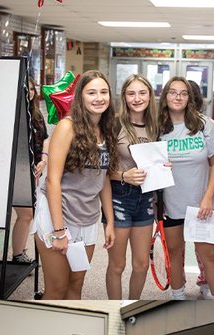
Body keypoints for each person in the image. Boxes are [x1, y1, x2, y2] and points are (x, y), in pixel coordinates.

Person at [33, 70, 116, 300]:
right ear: (81, 97)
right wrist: (59, 231)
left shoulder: (107, 128)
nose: (98, 98)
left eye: (103, 92)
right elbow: (52, 180)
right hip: (58, 216)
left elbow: (104, 179)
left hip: (87, 218)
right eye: (91, 92)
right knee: (57, 288)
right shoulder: (67, 126)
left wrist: (109, 222)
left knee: (76, 286)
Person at [159, 76, 214, 300]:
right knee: (174, 253)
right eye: (172, 92)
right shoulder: (158, 127)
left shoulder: (204, 124)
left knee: (210, 255)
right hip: (170, 204)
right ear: (165, 96)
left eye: (183, 93)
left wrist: (208, 197)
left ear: (189, 97)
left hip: (201, 204)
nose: (177, 97)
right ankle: (178, 296)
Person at [107, 74, 159, 300]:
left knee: (141, 265)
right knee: (117, 265)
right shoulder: (114, 124)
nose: (137, 98)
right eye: (131, 93)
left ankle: (131, 305)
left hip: (147, 198)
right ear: (124, 97)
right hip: (120, 196)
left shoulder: (157, 125)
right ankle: (116, 307)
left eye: (142, 92)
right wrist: (122, 176)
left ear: (150, 96)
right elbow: (99, 168)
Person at [13, 78, 48, 265]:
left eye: (33, 89)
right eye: (27, 89)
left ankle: (20, 253)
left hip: (34, 171)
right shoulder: (13, 113)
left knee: (29, 214)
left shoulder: (36, 113)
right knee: (26, 214)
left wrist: (44, 159)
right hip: (17, 173)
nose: (31, 92)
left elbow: (45, 139)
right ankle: (18, 254)